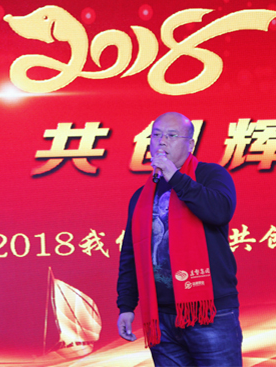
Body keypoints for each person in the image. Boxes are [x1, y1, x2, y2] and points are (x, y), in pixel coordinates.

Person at [116, 112, 242, 366]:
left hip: (210, 312)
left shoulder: (210, 175)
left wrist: (175, 177)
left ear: (190, 144)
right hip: (162, 317)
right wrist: (126, 306)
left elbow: (220, 211)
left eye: (172, 135)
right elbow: (130, 253)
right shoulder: (142, 195)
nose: (162, 141)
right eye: (156, 135)